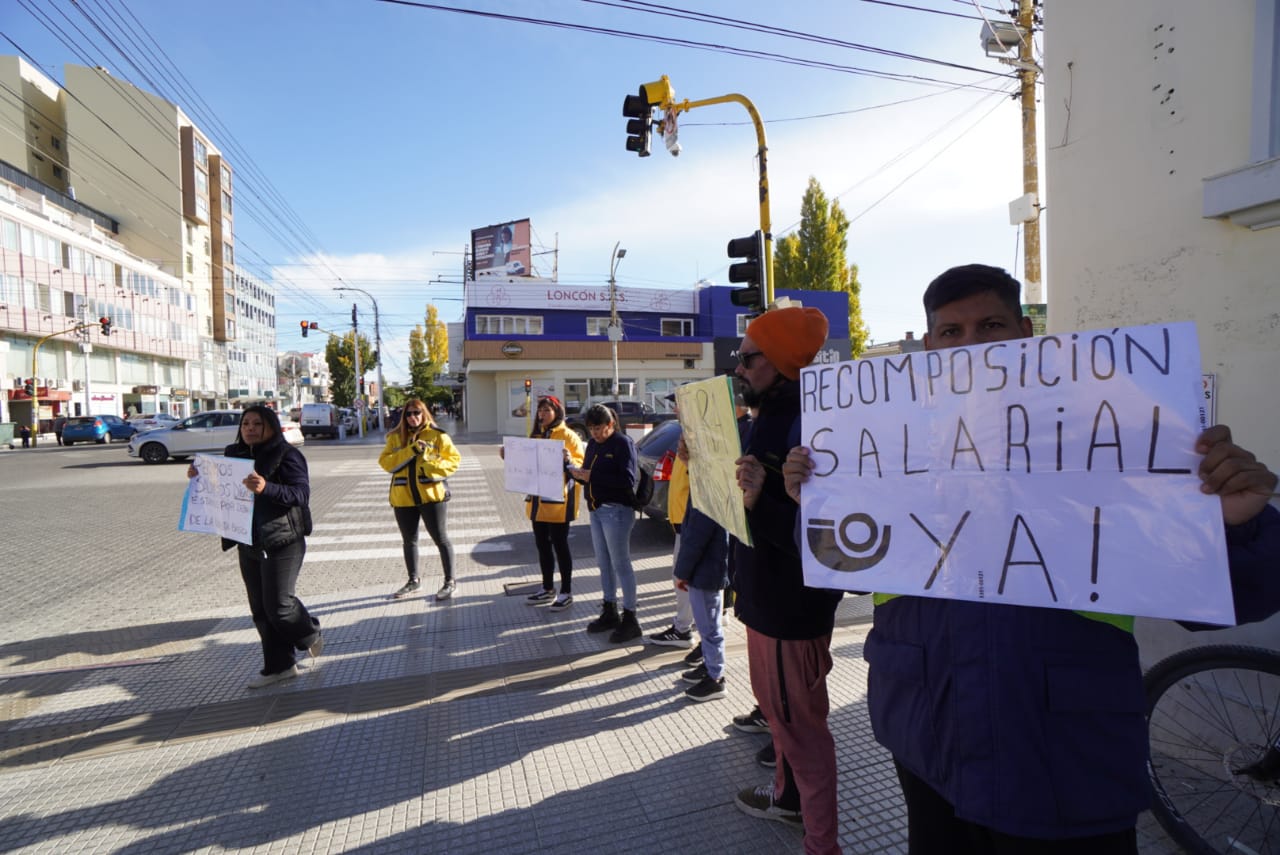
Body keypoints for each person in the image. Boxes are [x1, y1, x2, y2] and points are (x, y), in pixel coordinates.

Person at [783, 263, 1280, 852]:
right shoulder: (892, 443)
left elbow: (1235, 596)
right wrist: (815, 503)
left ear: (1025, 333)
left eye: (990, 325)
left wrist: (1237, 526)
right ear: (928, 346)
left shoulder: (1107, 437)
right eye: (951, 332)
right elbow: (843, 567)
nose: (972, 347)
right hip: (927, 739)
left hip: (1064, 756)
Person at [731, 306, 844, 855]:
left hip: (788, 608)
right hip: (768, 599)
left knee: (801, 729)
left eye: (749, 357)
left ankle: (822, 844)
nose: (739, 367)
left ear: (778, 364)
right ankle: (787, 797)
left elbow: (825, 539)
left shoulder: (813, 425)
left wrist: (757, 502)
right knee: (782, 718)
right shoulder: (765, 418)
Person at [190, 404, 322, 689]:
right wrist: (199, 478)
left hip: (283, 539)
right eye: (245, 424)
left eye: (257, 424)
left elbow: (301, 494)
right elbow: (219, 489)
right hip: (247, 540)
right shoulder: (233, 455)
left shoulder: (287, 455)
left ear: (271, 427)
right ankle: (279, 666)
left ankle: (309, 632)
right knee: (260, 610)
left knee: (280, 607)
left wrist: (267, 488)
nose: (249, 429)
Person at [569, 403, 641, 643]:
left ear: (610, 424)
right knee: (604, 564)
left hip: (617, 511)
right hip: (597, 510)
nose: (595, 434)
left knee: (621, 564)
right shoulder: (592, 446)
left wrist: (592, 476)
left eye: (599, 428)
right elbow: (589, 475)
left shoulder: (622, 443)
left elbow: (627, 479)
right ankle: (610, 609)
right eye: (591, 429)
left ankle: (630, 617)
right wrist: (577, 474)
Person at [504, 396, 584, 611]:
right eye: (540, 411)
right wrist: (509, 456)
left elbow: (581, 467)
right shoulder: (537, 434)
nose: (542, 415)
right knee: (542, 546)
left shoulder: (568, 436)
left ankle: (566, 591)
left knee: (560, 546)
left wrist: (569, 460)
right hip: (537, 501)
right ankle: (548, 588)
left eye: (547, 410)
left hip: (559, 502)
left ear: (557, 411)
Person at [379, 398, 462, 601]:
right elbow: (386, 463)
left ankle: (450, 581)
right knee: (409, 541)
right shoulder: (395, 438)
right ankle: (413, 580)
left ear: (424, 413)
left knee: (441, 539)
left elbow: (453, 461)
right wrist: (412, 450)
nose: (413, 417)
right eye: (408, 414)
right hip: (403, 497)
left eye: (417, 413)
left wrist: (427, 465)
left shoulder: (437, 436)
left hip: (431, 496)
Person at [673, 482, 731, 702]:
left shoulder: (708, 489)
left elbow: (696, 538)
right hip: (705, 570)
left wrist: (682, 572)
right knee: (706, 623)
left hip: (705, 572)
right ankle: (709, 665)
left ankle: (715, 677)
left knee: (709, 627)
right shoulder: (706, 486)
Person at [648, 393, 696, 649]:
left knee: (684, 578)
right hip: (682, 521)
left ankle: (684, 630)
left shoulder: (699, 437)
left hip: (692, 523)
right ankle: (691, 627)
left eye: (680, 404)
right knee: (686, 578)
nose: (675, 409)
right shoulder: (685, 433)